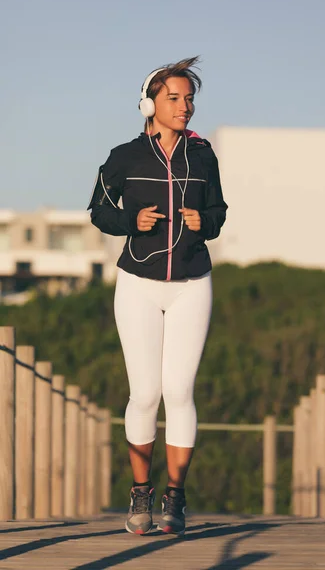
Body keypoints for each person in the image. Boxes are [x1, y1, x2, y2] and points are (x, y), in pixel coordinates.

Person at [87, 56, 227, 536]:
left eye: (189, 99)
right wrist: (132, 221)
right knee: (145, 392)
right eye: (175, 98)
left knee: (180, 391)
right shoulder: (125, 156)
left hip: (192, 284)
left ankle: (176, 497)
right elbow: (99, 210)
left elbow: (219, 210)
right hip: (138, 285)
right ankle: (141, 492)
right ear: (150, 103)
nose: (185, 106)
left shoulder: (203, 156)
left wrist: (204, 222)